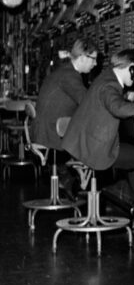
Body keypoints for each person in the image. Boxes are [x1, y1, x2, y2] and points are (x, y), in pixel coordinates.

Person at [62, 49, 134, 231]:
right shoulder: (110, 85)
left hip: (85, 143)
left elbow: (111, 101)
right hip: (95, 149)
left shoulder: (106, 79)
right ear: (130, 68)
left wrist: (124, 98)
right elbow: (117, 108)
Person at [32, 37, 99, 197]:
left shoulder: (64, 71)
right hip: (51, 135)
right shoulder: (70, 76)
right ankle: (87, 190)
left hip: (44, 132)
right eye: (93, 59)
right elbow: (87, 102)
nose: (95, 64)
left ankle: (71, 180)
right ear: (83, 57)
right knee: (102, 146)